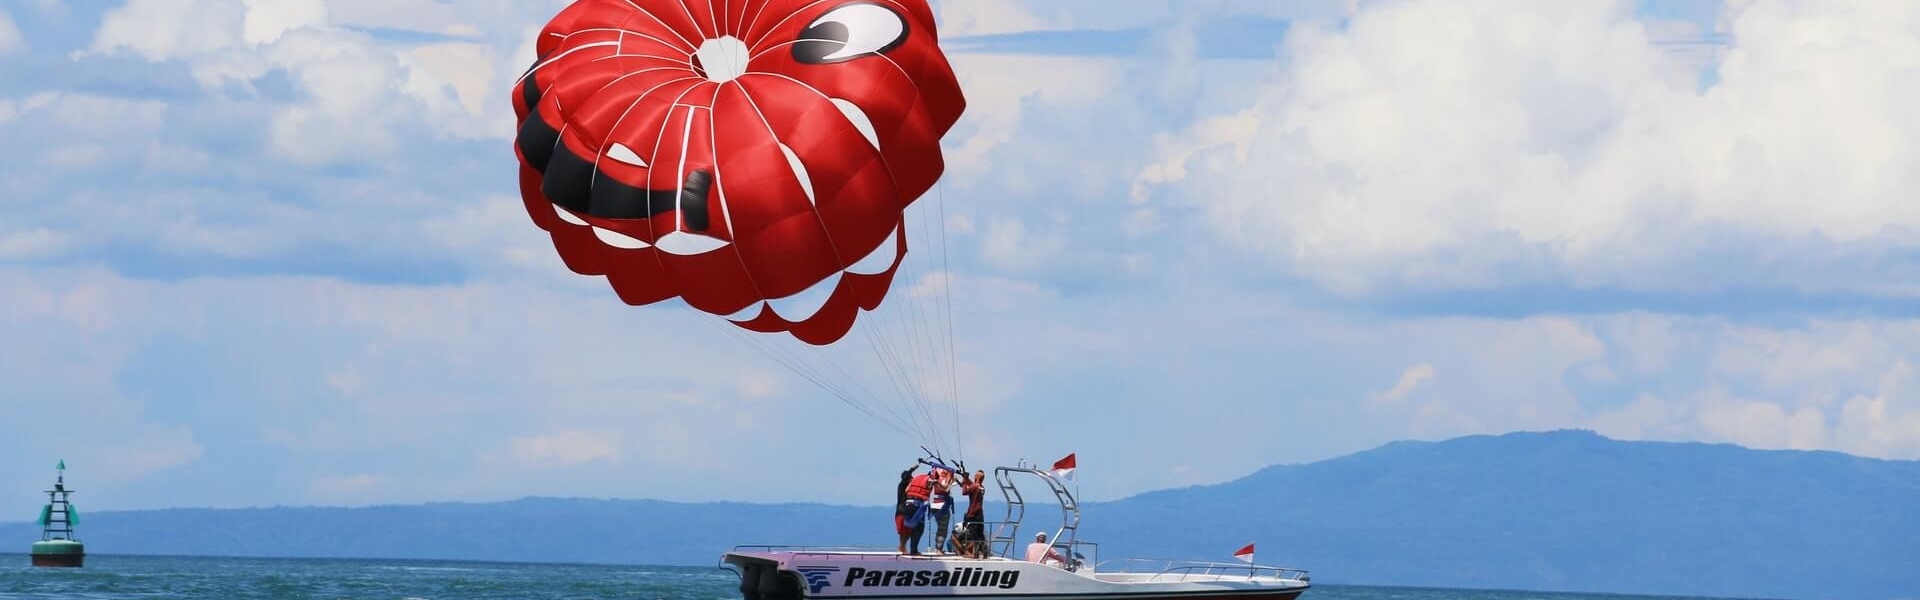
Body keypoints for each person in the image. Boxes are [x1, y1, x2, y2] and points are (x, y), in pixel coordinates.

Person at [901, 467, 934, 555]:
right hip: (917, 506)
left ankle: (911, 549)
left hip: (908, 504)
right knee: (919, 528)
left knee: (912, 528)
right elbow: (931, 485)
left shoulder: (916, 478)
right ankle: (914, 550)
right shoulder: (930, 479)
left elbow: (907, 490)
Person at [960, 469, 988, 558]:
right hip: (980, 513)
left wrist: (964, 481)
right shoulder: (981, 487)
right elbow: (972, 485)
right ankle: (984, 551)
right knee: (980, 533)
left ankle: (973, 553)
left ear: (977, 477)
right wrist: (966, 478)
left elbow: (964, 492)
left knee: (972, 534)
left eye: (975, 476)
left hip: (973, 513)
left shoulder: (974, 487)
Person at [928, 468, 956, 555]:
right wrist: (951, 478)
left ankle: (938, 547)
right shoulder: (943, 481)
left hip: (933, 505)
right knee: (942, 529)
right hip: (942, 506)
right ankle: (938, 549)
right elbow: (946, 489)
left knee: (940, 528)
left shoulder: (935, 481)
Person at [895, 464, 920, 554]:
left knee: (909, 531)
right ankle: (902, 547)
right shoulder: (901, 486)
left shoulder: (911, 489)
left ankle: (902, 546)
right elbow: (905, 478)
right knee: (903, 531)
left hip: (909, 511)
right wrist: (912, 468)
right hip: (902, 511)